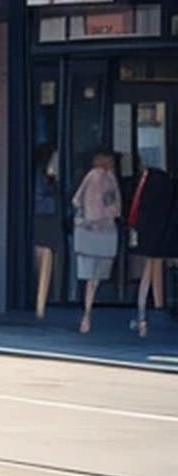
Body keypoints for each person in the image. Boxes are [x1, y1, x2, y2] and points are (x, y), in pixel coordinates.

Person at [71, 150, 121, 335]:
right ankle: (87, 313)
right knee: (95, 278)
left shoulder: (90, 177)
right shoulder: (108, 179)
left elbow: (76, 200)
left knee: (90, 278)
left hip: (87, 231)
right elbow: (114, 207)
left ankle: (87, 313)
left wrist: (84, 218)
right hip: (103, 233)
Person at [127, 163, 176, 339]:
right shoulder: (164, 185)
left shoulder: (148, 185)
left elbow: (136, 210)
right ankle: (156, 306)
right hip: (162, 237)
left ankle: (148, 311)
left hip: (151, 236)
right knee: (154, 268)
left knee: (149, 271)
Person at [32, 144, 60, 319]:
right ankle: (40, 305)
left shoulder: (40, 174)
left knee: (43, 255)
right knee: (45, 255)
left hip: (42, 217)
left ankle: (40, 304)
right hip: (45, 217)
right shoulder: (41, 176)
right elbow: (43, 197)